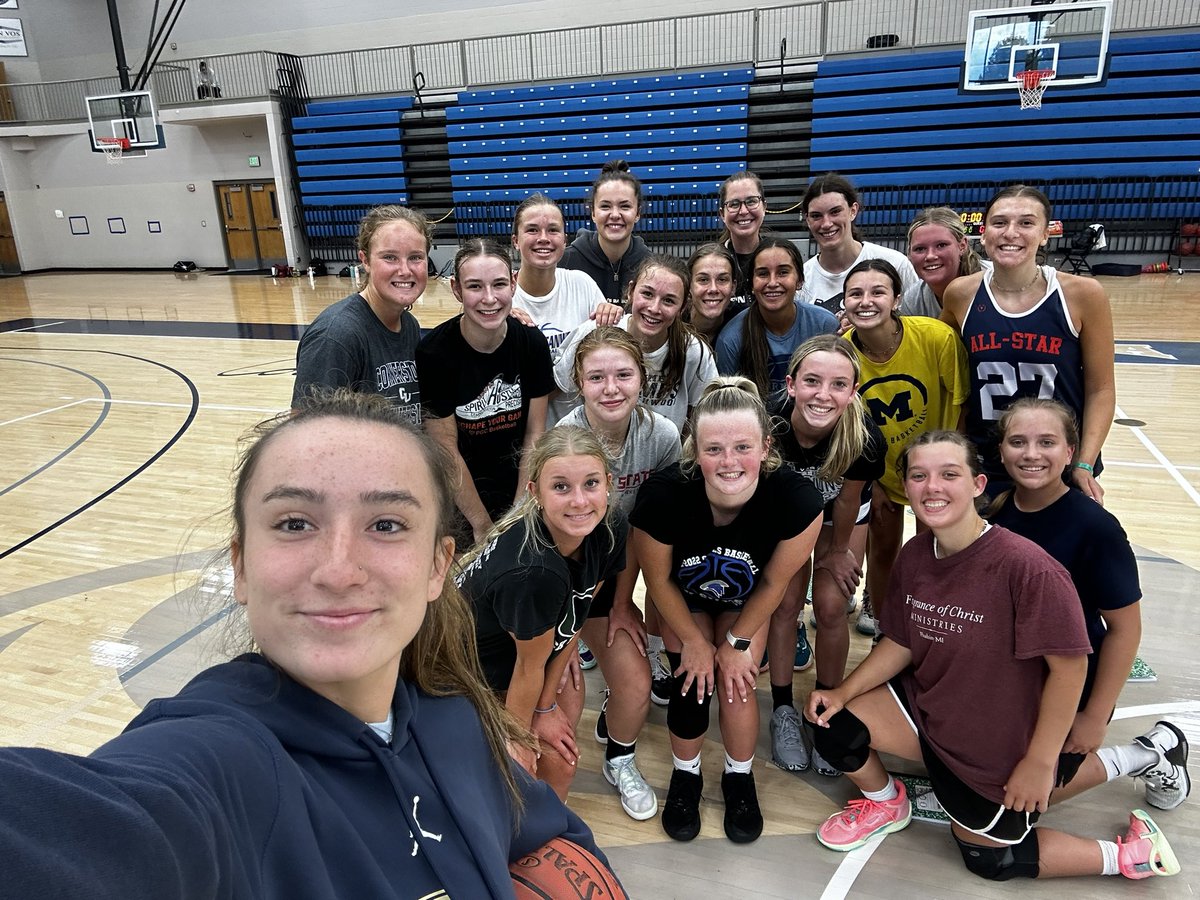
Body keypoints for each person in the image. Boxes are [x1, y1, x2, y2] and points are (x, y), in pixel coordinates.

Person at [0, 389, 616, 898]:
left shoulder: (456, 721)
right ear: (241, 566)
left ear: (438, 566)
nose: (339, 570)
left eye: (386, 524)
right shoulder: (219, 763)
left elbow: (554, 834)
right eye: (295, 523)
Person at [806, 431, 1187, 884]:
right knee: (831, 720)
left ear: (978, 484)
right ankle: (889, 802)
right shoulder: (914, 556)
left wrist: (1039, 763)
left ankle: (1136, 828)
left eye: (950, 474)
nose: (933, 487)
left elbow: (1070, 670)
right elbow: (903, 641)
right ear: (905, 488)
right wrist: (843, 690)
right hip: (932, 710)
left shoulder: (1029, 568)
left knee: (990, 860)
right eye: (919, 476)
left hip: (1002, 738)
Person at [631, 378, 823, 844]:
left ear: (766, 447)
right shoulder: (663, 494)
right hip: (686, 598)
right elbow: (656, 581)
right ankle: (686, 774)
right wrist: (695, 645)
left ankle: (739, 777)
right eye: (714, 449)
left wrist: (736, 644)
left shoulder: (798, 500)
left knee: (736, 685)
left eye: (743, 447)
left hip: (747, 602)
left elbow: (776, 582)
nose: (730, 461)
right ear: (694, 450)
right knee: (691, 682)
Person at [457, 426, 627, 802]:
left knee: (562, 742)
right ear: (535, 492)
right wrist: (521, 739)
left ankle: (545, 831)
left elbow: (579, 613)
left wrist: (548, 702)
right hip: (465, 674)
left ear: (609, 484)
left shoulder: (610, 527)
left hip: (520, 653)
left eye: (591, 483)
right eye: (561, 487)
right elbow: (527, 668)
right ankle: (515, 835)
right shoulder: (533, 570)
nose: (580, 501)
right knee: (539, 764)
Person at [556, 326, 681, 821]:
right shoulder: (563, 442)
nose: (611, 388)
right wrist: (561, 633)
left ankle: (619, 759)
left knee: (633, 685)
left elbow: (651, 527)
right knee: (559, 693)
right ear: (578, 383)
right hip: (569, 577)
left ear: (642, 378)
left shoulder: (662, 437)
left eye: (623, 375)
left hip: (622, 568)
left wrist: (626, 599)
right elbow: (548, 546)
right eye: (597, 377)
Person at [990, 399, 1154, 764]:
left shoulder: (1096, 528)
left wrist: (1094, 716)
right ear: (1001, 452)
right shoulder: (994, 512)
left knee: (1013, 801)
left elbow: (1125, 630)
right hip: (1009, 678)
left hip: (1069, 686)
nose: (1031, 454)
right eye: (1018, 442)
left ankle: (1147, 755)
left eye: (1046, 442)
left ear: (1070, 453)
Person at [941, 184, 1116, 502]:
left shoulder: (1082, 294)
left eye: (1025, 222)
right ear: (983, 232)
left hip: (1058, 464)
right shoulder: (960, 294)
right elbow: (947, 377)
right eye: (999, 223)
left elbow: (1101, 390)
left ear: (1045, 234)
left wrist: (1084, 463)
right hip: (987, 467)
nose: (1010, 233)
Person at [765, 335, 885, 778]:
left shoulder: (862, 435)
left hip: (841, 515)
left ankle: (825, 705)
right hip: (789, 515)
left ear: (853, 392)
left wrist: (835, 554)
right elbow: (767, 496)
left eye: (838, 384)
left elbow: (849, 500)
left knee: (833, 605)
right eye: (812, 381)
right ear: (792, 384)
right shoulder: (771, 425)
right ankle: (782, 709)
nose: (823, 394)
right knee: (785, 604)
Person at [841, 258, 969, 635]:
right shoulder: (843, 353)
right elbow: (847, 426)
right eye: (856, 293)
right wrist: (873, 481)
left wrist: (952, 467)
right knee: (882, 550)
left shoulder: (935, 337)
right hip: (880, 470)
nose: (866, 301)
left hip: (934, 466)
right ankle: (886, 628)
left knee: (934, 551)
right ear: (844, 303)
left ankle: (931, 631)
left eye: (878, 292)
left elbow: (962, 404)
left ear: (897, 298)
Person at [416, 238, 555, 544]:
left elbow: (535, 434)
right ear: (456, 289)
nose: (489, 298)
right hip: (461, 499)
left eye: (499, 284)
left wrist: (518, 511)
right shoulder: (434, 353)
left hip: (518, 490)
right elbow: (445, 447)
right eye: (475, 286)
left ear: (514, 284)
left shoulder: (532, 344)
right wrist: (480, 524)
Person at [555, 254, 718, 434]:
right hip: (592, 453)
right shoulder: (595, 331)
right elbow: (559, 388)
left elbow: (709, 414)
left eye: (669, 300)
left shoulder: (693, 351)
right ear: (631, 291)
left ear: (682, 309)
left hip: (662, 458)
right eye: (647, 294)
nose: (654, 308)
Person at [292, 205, 427, 422]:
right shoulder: (336, 335)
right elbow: (305, 432)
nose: (405, 270)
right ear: (365, 260)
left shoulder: (409, 324)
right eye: (390, 257)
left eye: (415, 257)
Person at [511, 193, 623, 427]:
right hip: (523, 432)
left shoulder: (581, 284)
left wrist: (611, 314)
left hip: (582, 434)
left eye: (553, 230)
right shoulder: (500, 299)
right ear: (515, 240)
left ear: (564, 239)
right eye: (532, 230)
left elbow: (609, 353)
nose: (544, 238)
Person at [715, 237, 840, 407]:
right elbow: (728, 407)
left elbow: (838, 389)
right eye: (763, 274)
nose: (772, 283)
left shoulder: (824, 325)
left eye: (783, 272)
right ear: (751, 283)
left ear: (800, 280)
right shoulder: (731, 338)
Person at [798, 173, 919, 313]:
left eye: (835, 212)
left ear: (853, 211)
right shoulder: (802, 279)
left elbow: (917, 325)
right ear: (807, 220)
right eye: (816, 216)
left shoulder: (896, 264)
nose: (826, 224)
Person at [560, 160, 651, 301]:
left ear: (637, 213)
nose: (615, 215)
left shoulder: (650, 266)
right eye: (605, 206)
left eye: (625, 206)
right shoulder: (565, 262)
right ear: (593, 213)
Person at [901, 206, 984, 318]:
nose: (930, 256)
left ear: (962, 245)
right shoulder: (913, 300)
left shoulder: (996, 279)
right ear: (909, 254)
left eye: (941, 245)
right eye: (920, 249)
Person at [716, 171, 769, 301]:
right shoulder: (711, 262)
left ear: (764, 207)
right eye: (734, 204)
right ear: (722, 214)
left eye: (751, 201)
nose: (744, 211)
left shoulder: (778, 258)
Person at [684, 242, 742, 347]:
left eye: (722, 279)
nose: (713, 289)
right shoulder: (671, 323)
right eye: (703, 279)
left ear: (733, 287)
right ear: (689, 286)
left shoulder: (744, 323)